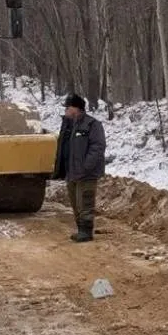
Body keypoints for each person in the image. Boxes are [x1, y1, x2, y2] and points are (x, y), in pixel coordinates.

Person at [53, 94, 106, 242]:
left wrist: (86, 166)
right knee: (76, 204)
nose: (66, 111)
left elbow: (97, 147)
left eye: (68, 108)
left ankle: (86, 231)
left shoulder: (92, 124)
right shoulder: (68, 125)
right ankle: (80, 229)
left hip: (86, 173)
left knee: (85, 202)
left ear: (76, 108)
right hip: (72, 172)